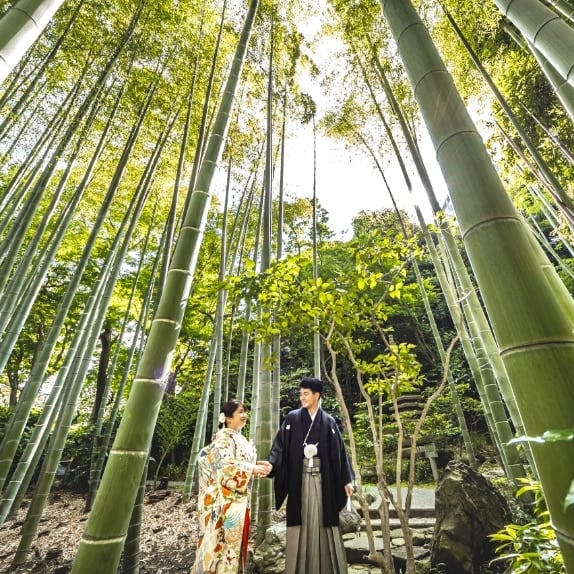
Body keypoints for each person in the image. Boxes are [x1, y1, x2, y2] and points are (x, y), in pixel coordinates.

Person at [267, 377, 354, 574]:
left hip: (324, 482)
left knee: (324, 521)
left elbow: (340, 453)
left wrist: (347, 479)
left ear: (317, 395)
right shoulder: (292, 418)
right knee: (301, 519)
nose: (302, 397)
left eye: (306, 393)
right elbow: (280, 447)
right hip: (300, 480)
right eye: (301, 394)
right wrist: (271, 465)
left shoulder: (329, 421)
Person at [191, 400, 271, 574]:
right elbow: (224, 465)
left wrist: (255, 466)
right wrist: (253, 469)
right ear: (228, 418)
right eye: (240, 412)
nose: (244, 415)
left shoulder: (237, 437)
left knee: (236, 545)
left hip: (238, 500)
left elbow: (237, 463)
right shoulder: (223, 437)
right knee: (222, 546)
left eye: (244, 411)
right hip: (224, 502)